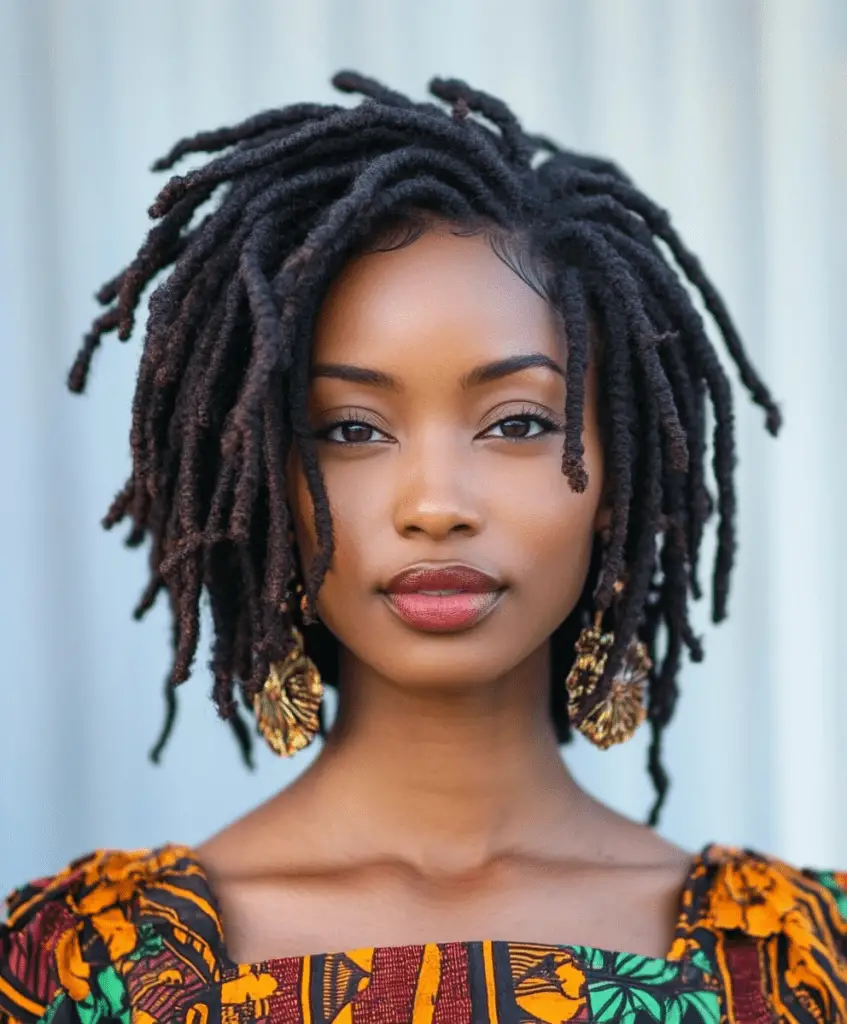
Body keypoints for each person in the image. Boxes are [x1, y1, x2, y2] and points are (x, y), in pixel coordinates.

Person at [1, 71, 844, 1024]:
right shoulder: (65, 971)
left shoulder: (805, 965)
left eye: (518, 424)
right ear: (263, 486)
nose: (436, 505)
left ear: (617, 479)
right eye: (351, 430)